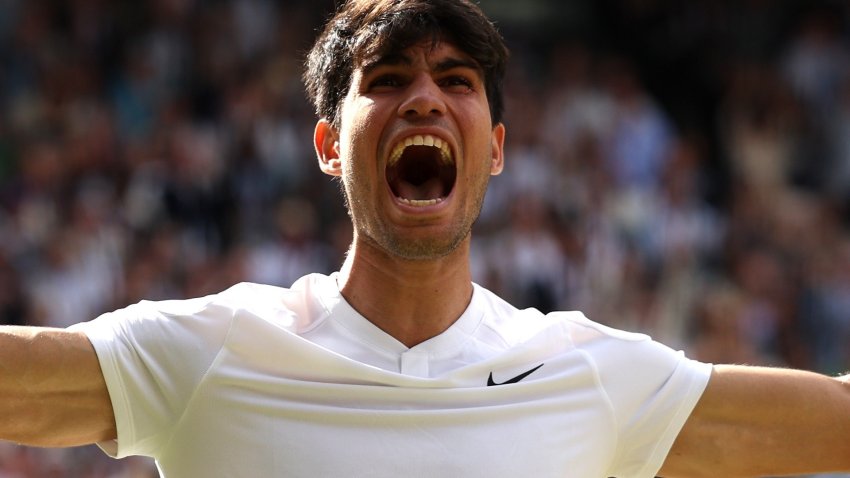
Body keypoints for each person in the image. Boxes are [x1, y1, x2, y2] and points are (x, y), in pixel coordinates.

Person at [1, 0, 849, 476]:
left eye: (457, 80)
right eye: (389, 78)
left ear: (498, 148)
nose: (425, 98)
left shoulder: (591, 373)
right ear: (330, 146)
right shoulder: (211, 349)